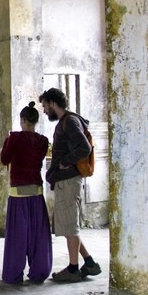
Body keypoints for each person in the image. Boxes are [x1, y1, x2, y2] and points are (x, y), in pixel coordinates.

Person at [38, 87, 101, 283]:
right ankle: (89, 263)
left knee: (70, 228)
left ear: (53, 103)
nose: (44, 110)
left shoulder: (70, 121)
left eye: (45, 105)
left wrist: (66, 161)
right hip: (65, 180)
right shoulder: (68, 121)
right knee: (67, 225)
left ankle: (73, 269)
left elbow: (84, 147)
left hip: (68, 180)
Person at [0, 101, 53, 284]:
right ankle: (39, 271)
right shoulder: (43, 141)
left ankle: (13, 274)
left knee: (17, 237)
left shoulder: (14, 139)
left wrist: (6, 142)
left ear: (22, 120)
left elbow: (4, 159)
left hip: (18, 194)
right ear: (35, 121)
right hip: (36, 193)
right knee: (37, 236)